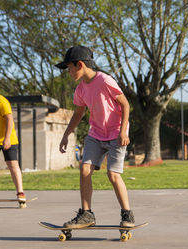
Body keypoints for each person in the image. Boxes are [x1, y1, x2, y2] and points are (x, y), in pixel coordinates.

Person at [56, 45, 135, 228]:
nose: (68, 72)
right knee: (84, 170)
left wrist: (123, 131)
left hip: (116, 133)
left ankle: (127, 215)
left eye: (69, 68)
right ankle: (86, 214)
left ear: (80, 65)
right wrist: (66, 135)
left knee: (113, 174)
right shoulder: (80, 89)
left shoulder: (105, 80)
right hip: (96, 134)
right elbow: (78, 114)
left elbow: (125, 105)